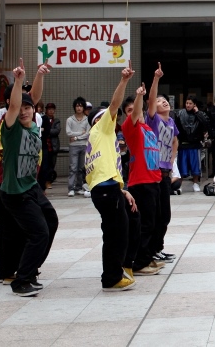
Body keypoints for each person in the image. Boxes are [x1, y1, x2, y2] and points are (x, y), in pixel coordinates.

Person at [0, 58, 59, 297]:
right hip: (15, 193)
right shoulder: (11, 127)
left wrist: (40, 75)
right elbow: (16, 106)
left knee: (51, 222)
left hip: (30, 187)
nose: (24, 110)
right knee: (39, 233)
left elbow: (31, 98)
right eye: (20, 108)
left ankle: (31, 269)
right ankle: (21, 279)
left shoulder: (33, 124)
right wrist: (18, 80)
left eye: (29, 108)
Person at [85, 63, 138, 292]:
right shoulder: (101, 129)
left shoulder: (101, 137)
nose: (113, 118)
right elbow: (115, 104)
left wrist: (123, 189)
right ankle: (113, 277)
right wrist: (124, 80)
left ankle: (120, 269)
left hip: (107, 189)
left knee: (121, 228)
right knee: (117, 234)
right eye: (107, 116)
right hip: (106, 190)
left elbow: (104, 168)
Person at [122, 81, 165, 277]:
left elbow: (150, 104)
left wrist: (155, 81)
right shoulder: (130, 128)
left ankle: (147, 257)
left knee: (154, 222)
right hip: (140, 183)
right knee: (145, 224)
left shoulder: (147, 127)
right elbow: (139, 108)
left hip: (153, 181)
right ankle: (139, 263)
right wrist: (138, 96)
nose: (135, 112)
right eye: (130, 110)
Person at [146, 63, 177, 264]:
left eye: (165, 100)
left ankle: (158, 247)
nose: (163, 102)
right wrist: (156, 79)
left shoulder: (171, 122)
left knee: (165, 215)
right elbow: (150, 101)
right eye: (159, 100)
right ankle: (150, 250)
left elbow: (175, 141)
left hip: (165, 172)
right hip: (153, 173)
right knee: (154, 215)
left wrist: (173, 160)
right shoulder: (153, 119)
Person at [174, 96, 210, 192]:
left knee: (195, 165)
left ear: (194, 104)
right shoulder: (179, 113)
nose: (188, 105)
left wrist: (197, 112)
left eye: (190, 103)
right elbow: (175, 126)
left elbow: (206, 124)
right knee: (181, 165)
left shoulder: (200, 114)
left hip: (195, 144)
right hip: (183, 144)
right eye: (187, 103)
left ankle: (195, 183)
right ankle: (179, 185)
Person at [65, 96, 91, 197]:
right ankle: (71, 188)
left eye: (81, 106)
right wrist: (81, 133)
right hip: (73, 147)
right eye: (77, 106)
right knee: (73, 167)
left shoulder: (87, 120)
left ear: (83, 107)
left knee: (81, 168)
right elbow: (68, 133)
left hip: (83, 146)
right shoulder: (70, 120)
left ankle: (79, 187)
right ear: (74, 107)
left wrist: (76, 137)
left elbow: (88, 133)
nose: (79, 108)